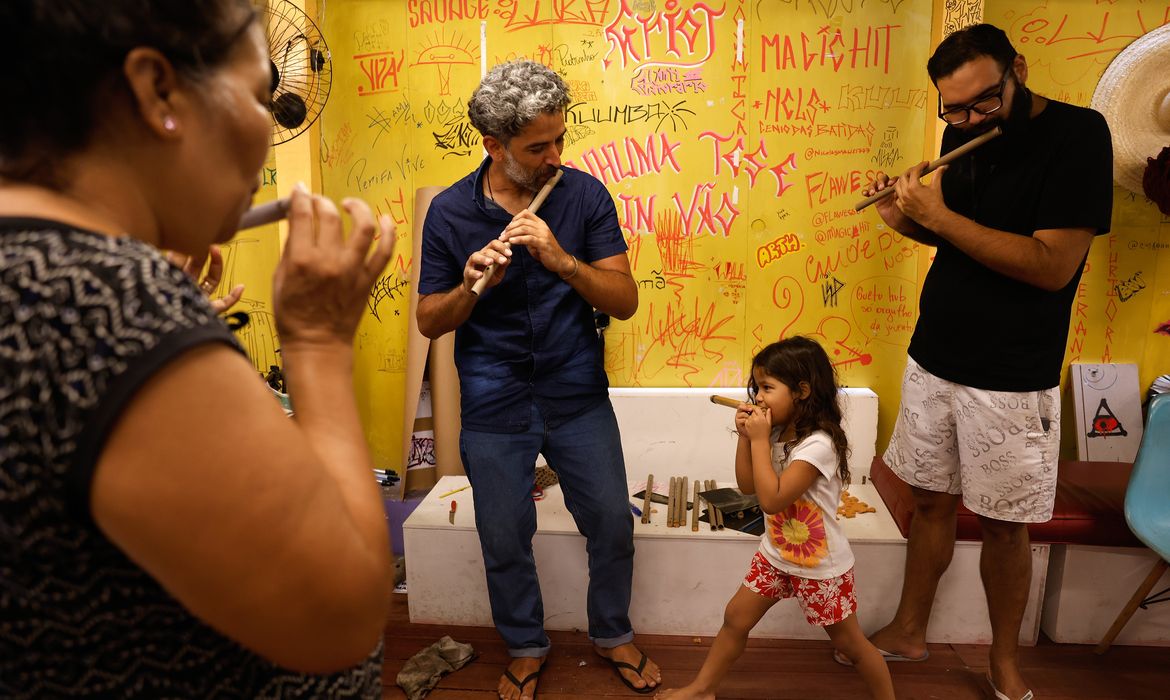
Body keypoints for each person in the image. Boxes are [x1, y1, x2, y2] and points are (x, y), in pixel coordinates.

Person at [0, 1, 397, 697]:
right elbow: (343, 617)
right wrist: (319, 340)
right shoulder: (106, 299)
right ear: (158, 90)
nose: (271, 127)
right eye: (260, 93)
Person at [858, 23, 1112, 700]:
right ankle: (910, 629)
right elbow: (962, 242)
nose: (968, 120)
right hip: (936, 350)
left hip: (1010, 371)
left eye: (982, 102)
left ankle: (1004, 664)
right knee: (930, 500)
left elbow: (1050, 265)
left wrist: (937, 220)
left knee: (1005, 524)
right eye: (954, 109)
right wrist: (905, 216)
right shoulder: (959, 137)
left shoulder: (1080, 137)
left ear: (1016, 70)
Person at [416, 60, 658, 699]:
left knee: (610, 519)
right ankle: (525, 644)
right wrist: (471, 288)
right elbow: (429, 321)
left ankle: (612, 633)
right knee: (503, 533)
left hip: (575, 391)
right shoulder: (448, 212)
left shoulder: (583, 196)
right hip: (494, 396)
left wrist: (560, 259)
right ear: (494, 145)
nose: (555, 155)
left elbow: (624, 299)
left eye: (560, 137)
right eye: (536, 146)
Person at [656, 337, 896, 700]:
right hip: (777, 556)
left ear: (801, 390)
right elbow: (749, 485)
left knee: (852, 644)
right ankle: (702, 690)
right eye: (756, 388)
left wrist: (758, 442)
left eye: (768, 388)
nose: (758, 398)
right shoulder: (778, 433)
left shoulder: (819, 445)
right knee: (735, 617)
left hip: (820, 567)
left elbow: (772, 500)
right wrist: (744, 438)